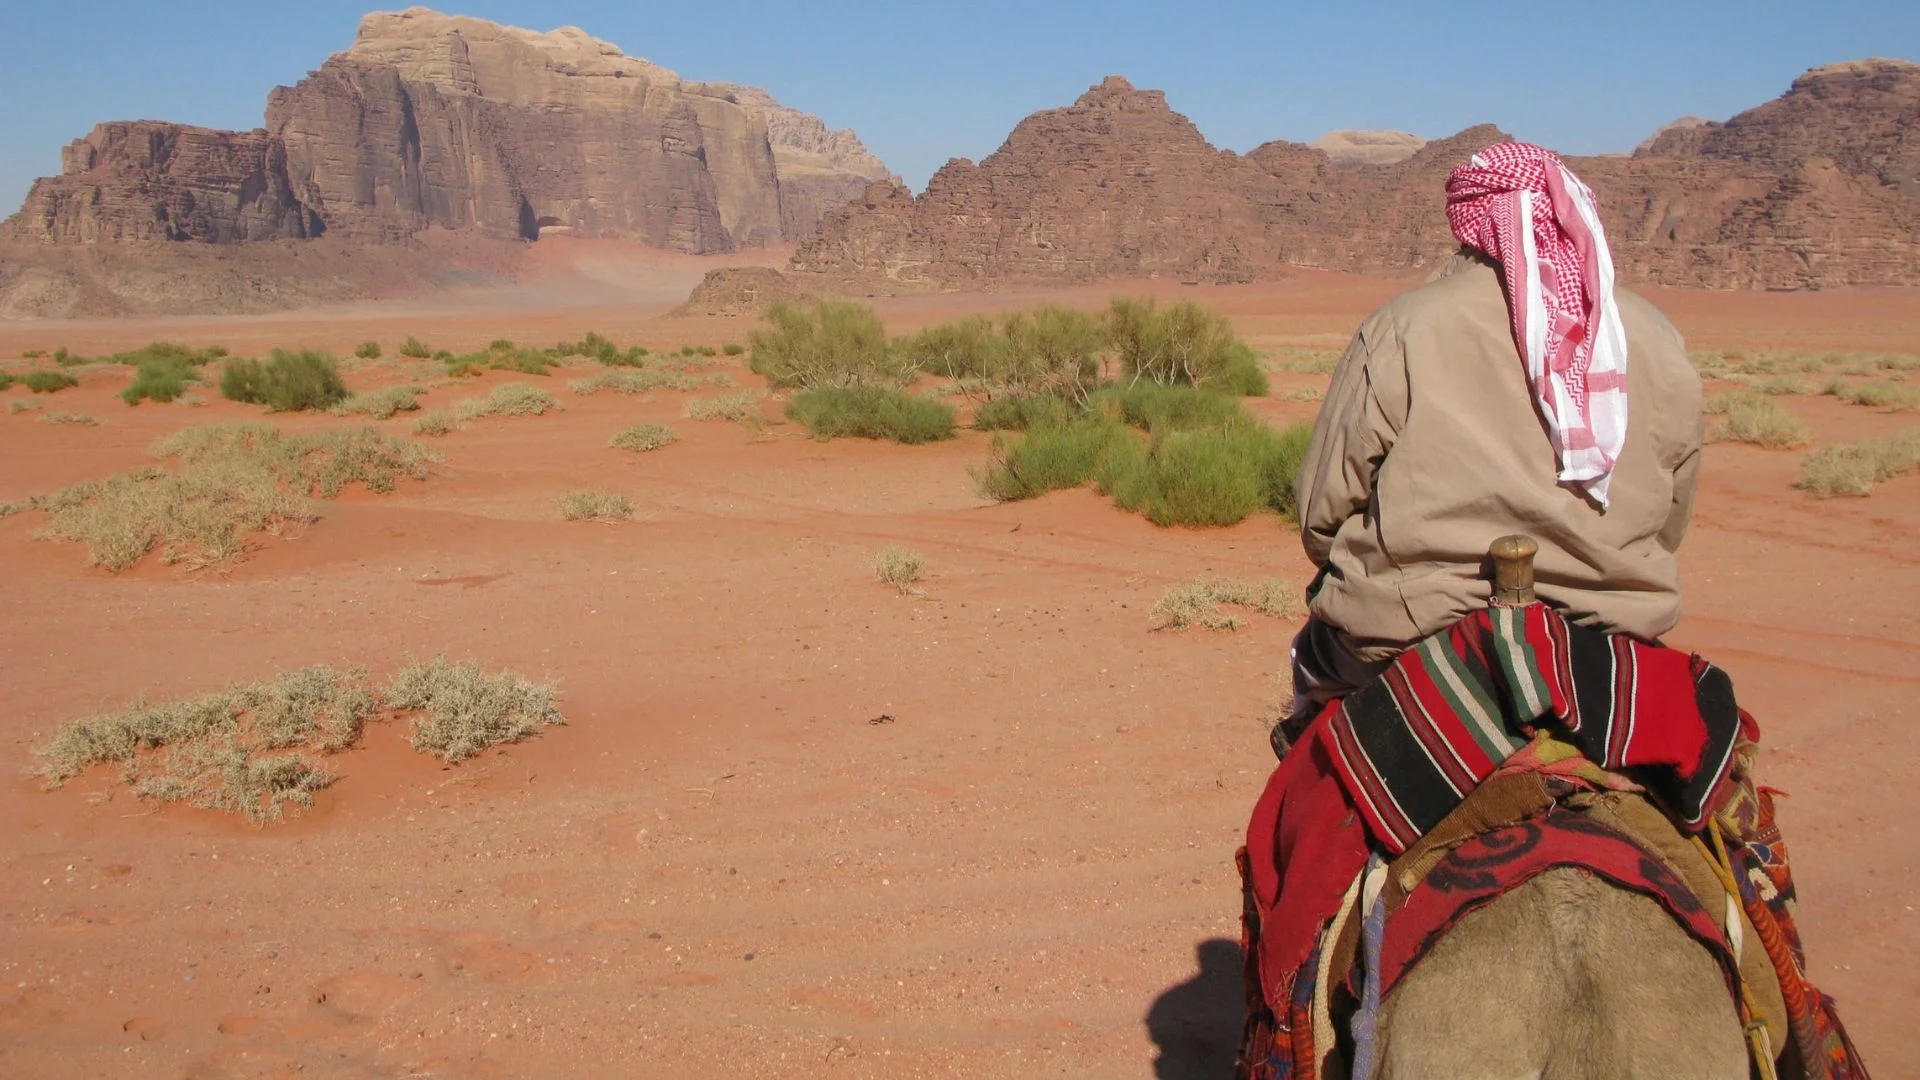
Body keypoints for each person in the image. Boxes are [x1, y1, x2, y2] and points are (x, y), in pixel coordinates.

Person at [1290, 142, 1703, 720]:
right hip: (1610, 638)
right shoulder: (1654, 335)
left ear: (1469, 221)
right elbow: (1672, 516)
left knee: (1311, 677)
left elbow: (1324, 510)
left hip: (1413, 632)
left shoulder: (1403, 326)